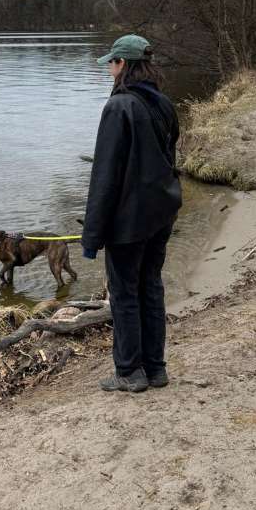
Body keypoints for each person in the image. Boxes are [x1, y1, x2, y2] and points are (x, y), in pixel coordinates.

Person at [81, 34, 182, 393]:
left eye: (112, 62)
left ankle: (129, 372)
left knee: (124, 292)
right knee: (150, 287)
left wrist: (91, 237)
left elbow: (105, 176)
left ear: (123, 64)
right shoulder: (164, 104)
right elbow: (169, 161)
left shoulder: (119, 107)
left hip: (129, 222)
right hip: (160, 214)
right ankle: (155, 369)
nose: (108, 69)